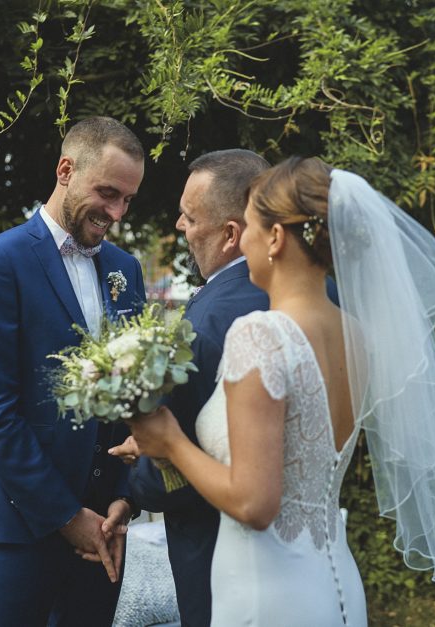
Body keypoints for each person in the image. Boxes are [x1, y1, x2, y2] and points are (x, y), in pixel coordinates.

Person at [129, 157, 435, 626]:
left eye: (250, 226)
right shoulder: (357, 336)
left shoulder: (260, 335)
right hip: (334, 581)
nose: (244, 240)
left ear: (274, 238)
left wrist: (169, 441)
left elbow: (254, 504)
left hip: (266, 592)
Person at [0, 116, 147, 627]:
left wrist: (127, 496)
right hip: (22, 528)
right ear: (66, 169)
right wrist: (65, 516)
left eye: (127, 199)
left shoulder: (126, 271)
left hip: (106, 529)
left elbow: (137, 393)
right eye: (108, 193)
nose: (117, 212)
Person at [112, 149, 271, 627]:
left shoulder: (208, 321)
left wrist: (140, 475)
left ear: (230, 234)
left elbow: (181, 461)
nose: (180, 226)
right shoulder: (318, 301)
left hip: (222, 559)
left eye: (189, 216)